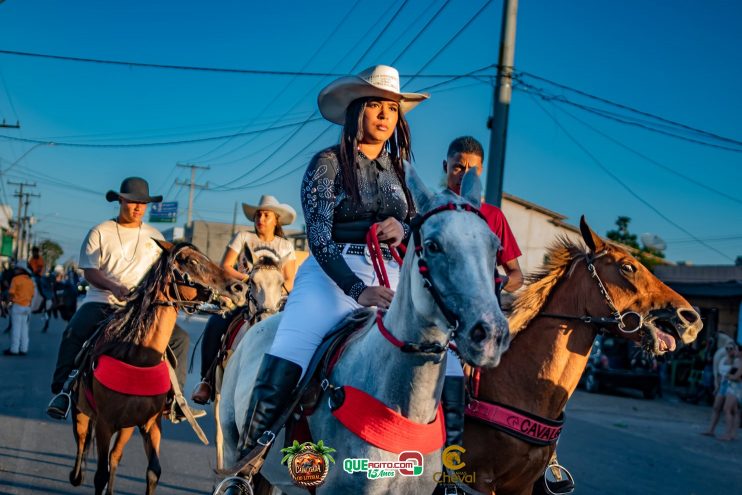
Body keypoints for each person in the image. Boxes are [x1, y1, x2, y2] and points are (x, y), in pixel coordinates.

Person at [236, 65, 428, 459]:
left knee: (442, 350)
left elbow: (418, 229)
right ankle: (250, 457)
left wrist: (404, 230)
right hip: (330, 276)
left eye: (391, 109)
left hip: (391, 272)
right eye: (375, 106)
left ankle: (450, 463)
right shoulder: (326, 164)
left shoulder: (403, 172)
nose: (383, 116)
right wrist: (359, 291)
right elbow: (319, 239)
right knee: (294, 342)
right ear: (356, 110)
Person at [46, 177, 203, 422]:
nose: (138, 208)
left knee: (180, 338)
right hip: (103, 301)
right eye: (132, 202)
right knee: (74, 331)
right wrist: (114, 286)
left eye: (143, 203)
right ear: (121, 200)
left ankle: (176, 400)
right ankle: (63, 390)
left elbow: (167, 274)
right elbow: (90, 270)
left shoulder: (155, 236)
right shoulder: (100, 232)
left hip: (143, 309)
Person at [190, 195, 297, 404]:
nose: (261, 219)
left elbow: (290, 279)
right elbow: (226, 266)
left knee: (299, 333)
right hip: (242, 298)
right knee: (216, 324)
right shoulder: (243, 237)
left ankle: (297, 384)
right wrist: (250, 279)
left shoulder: (285, 246)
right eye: (258, 215)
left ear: (276, 219)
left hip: (274, 301)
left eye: (266, 215)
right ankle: (207, 380)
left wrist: (272, 288)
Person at [443, 136, 523, 294]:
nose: (465, 176)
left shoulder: (494, 216)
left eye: (472, 170)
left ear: (480, 171)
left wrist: (497, 281)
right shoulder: (429, 209)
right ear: (445, 166)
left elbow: (517, 276)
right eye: (458, 167)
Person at [702, 342, 742, 440]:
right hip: (727, 385)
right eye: (727, 349)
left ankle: (730, 434)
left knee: (730, 410)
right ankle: (714, 430)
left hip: (735, 387)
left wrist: (730, 376)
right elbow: (727, 374)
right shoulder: (730, 360)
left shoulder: (738, 361)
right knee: (719, 407)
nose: (729, 351)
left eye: (732, 349)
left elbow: (736, 377)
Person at [4, 261, 34, 356]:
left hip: (17, 306)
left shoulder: (15, 279)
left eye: (17, 269)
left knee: (16, 329)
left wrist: (8, 302)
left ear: (21, 270)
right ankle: (24, 348)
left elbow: (11, 293)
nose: (15, 270)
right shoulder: (30, 281)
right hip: (27, 307)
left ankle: (14, 349)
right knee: (24, 329)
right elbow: (32, 295)